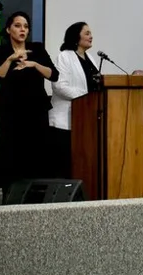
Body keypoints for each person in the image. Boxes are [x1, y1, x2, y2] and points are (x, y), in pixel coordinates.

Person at [0, 11, 59, 192]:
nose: (22, 30)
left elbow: (54, 75)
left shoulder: (37, 49)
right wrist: (10, 60)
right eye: (18, 26)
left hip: (36, 109)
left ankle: (36, 194)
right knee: (11, 153)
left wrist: (34, 64)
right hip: (11, 111)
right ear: (8, 29)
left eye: (26, 26)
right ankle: (11, 194)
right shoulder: (1, 51)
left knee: (37, 152)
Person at [49, 22, 98, 178]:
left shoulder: (90, 58)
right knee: (64, 165)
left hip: (85, 120)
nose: (91, 36)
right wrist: (85, 96)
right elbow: (59, 86)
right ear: (76, 37)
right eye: (87, 33)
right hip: (65, 121)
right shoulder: (64, 56)